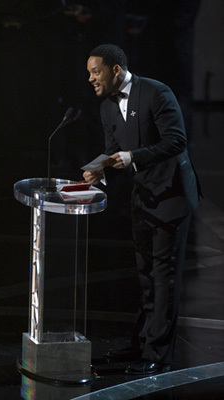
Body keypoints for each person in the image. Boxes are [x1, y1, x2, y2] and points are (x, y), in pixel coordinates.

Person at [83, 44, 200, 375]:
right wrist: (96, 168)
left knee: (164, 277)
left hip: (171, 196)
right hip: (143, 198)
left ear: (115, 70)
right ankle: (141, 342)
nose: (91, 79)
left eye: (95, 72)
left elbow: (176, 141)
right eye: (89, 73)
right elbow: (112, 149)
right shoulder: (106, 106)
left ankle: (158, 353)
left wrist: (132, 158)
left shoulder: (156, 92)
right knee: (147, 276)